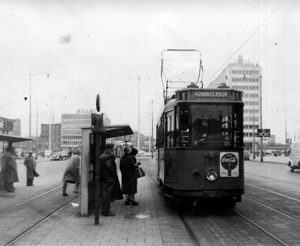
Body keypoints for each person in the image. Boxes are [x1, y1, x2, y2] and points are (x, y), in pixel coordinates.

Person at [99, 143, 123, 216]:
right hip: (109, 178)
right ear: (110, 149)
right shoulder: (110, 156)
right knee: (108, 194)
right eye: (112, 148)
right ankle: (106, 211)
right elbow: (109, 166)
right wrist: (114, 174)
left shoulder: (102, 155)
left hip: (104, 177)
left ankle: (105, 210)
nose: (113, 150)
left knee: (105, 194)